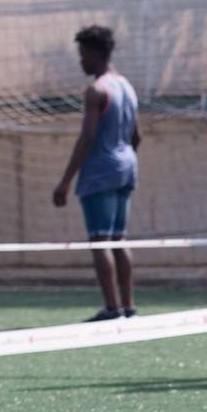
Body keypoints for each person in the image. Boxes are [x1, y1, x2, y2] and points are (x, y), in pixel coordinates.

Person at [52, 25, 142, 322]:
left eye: (82, 55)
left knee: (100, 240)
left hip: (100, 171)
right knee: (118, 239)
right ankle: (128, 306)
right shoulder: (126, 86)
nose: (80, 62)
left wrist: (65, 181)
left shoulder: (97, 90)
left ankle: (112, 308)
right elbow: (137, 135)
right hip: (126, 168)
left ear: (94, 53)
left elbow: (87, 137)